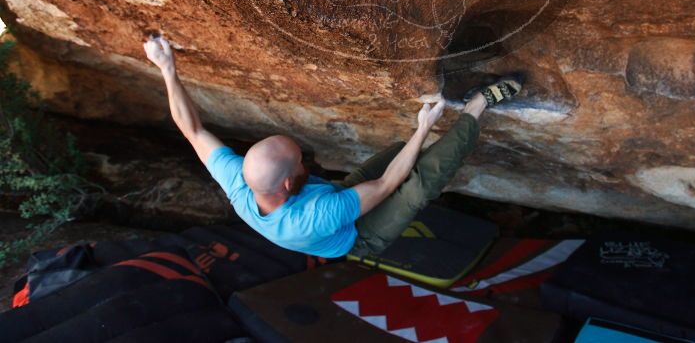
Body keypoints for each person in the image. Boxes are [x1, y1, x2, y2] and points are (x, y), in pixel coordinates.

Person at [143, 35, 523, 258]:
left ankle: (439, 141)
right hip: (360, 236)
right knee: (418, 184)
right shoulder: (312, 218)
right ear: (289, 184)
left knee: (398, 153)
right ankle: (478, 104)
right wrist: (423, 128)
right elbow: (389, 186)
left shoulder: (240, 181)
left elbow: (191, 129)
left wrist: (166, 68)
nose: (308, 158)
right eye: (300, 161)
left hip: (333, 198)